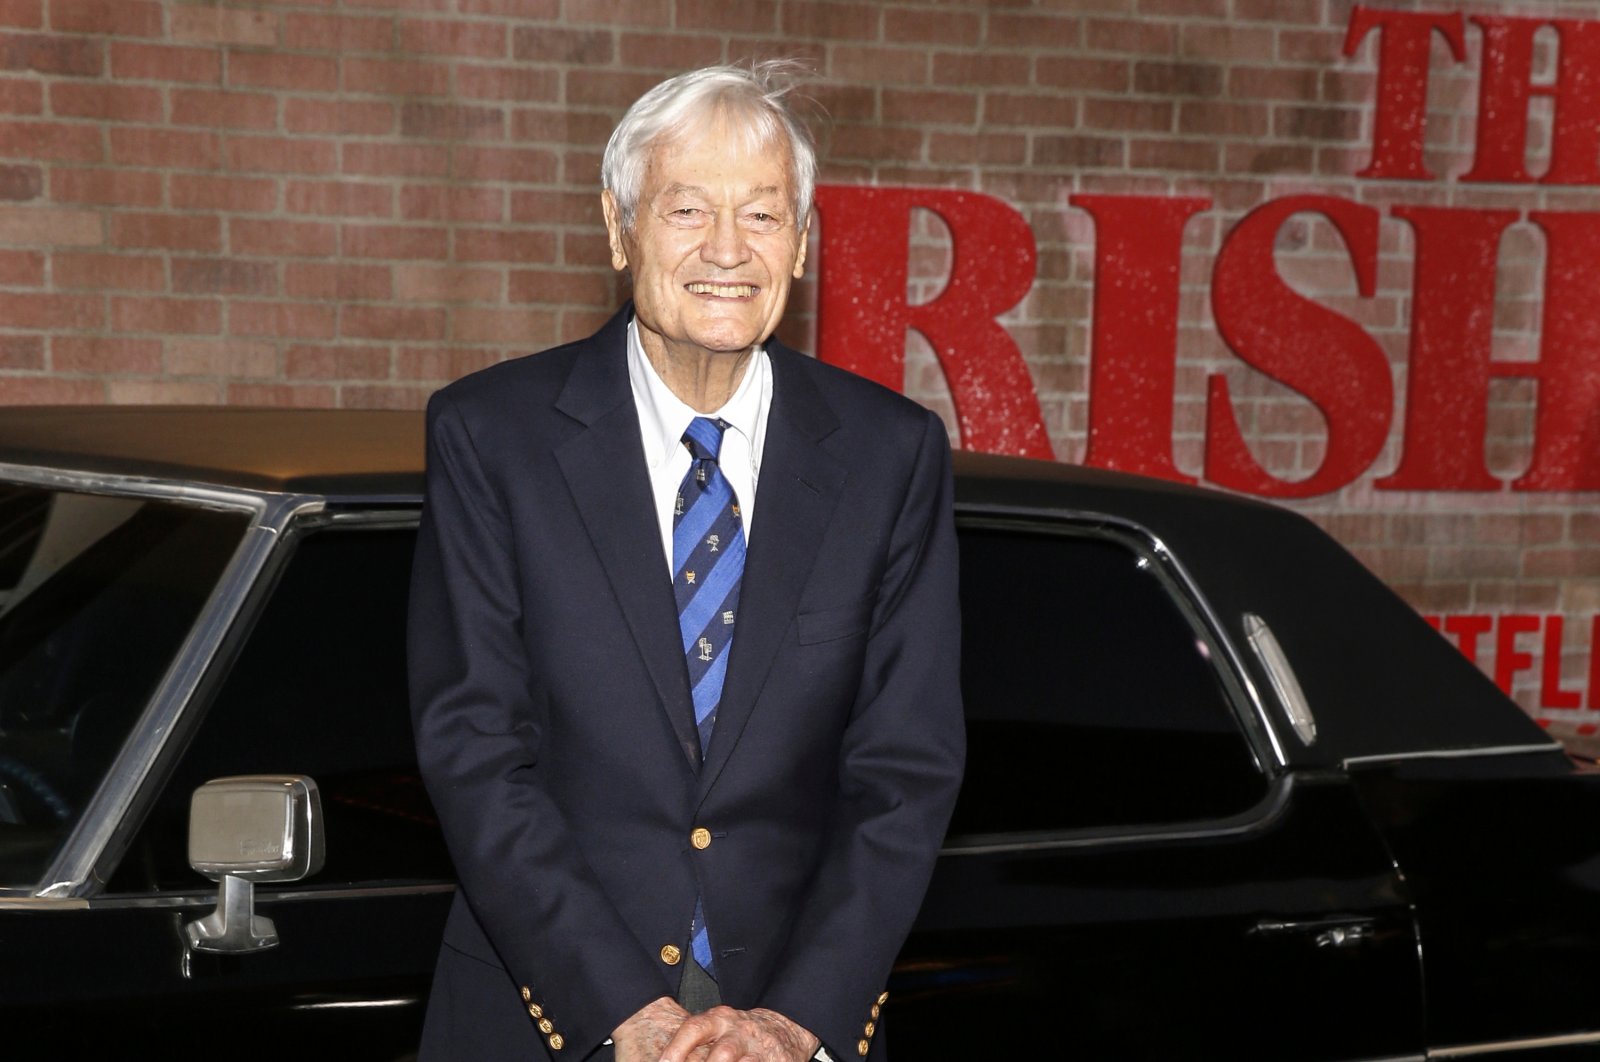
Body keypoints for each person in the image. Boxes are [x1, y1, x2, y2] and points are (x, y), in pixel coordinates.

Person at [408, 61, 964, 1062]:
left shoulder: (890, 454)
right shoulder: (491, 437)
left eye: (760, 215)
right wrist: (628, 1010)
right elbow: (475, 749)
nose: (725, 249)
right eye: (687, 209)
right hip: (550, 1017)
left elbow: (903, 769)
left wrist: (797, 1019)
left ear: (799, 245)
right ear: (620, 230)